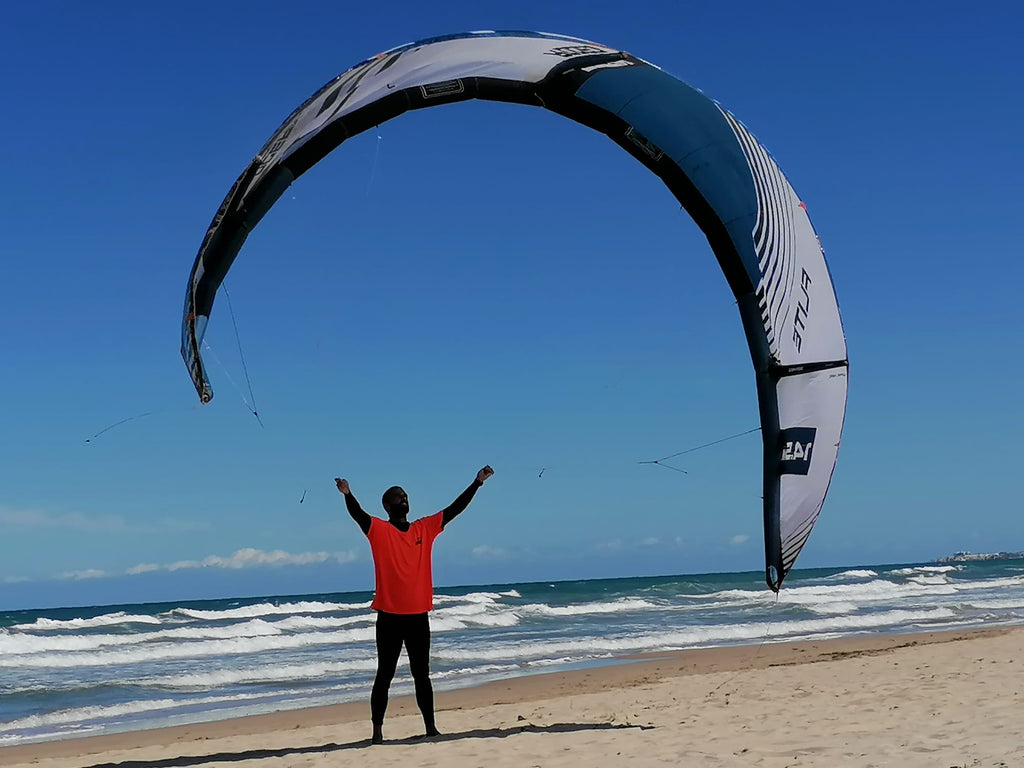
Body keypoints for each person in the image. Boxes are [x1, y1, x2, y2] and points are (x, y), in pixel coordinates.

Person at [335, 465, 494, 744]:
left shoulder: (424, 528)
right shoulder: (378, 530)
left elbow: (454, 509)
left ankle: (430, 728)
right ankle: (377, 732)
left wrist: (477, 483)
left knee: (422, 675)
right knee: (384, 674)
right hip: (389, 617)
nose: (404, 499)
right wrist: (348, 494)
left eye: (406, 495)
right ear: (387, 505)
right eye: (398, 497)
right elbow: (358, 515)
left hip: (418, 616)